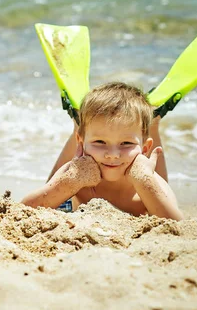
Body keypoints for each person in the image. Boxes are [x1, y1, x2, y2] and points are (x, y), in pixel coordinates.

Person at [21, 82, 183, 220]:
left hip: (145, 176)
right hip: (72, 198)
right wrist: (69, 182)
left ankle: (154, 121)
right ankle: (78, 125)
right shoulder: (76, 172)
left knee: (159, 188)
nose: (112, 154)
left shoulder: (149, 179)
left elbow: (177, 223)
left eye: (126, 143)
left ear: (145, 148)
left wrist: (145, 183)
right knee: (55, 185)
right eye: (99, 141)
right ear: (81, 142)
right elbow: (23, 210)